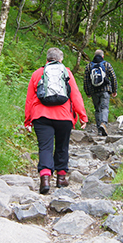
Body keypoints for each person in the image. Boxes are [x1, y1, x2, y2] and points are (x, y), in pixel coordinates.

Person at [24, 47, 88, 194]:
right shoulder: (66, 72)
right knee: (62, 146)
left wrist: (28, 120)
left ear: (47, 59)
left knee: (45, 147)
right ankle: (61, 178)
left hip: (41, 116)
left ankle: (45, 179)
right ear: (60, 60)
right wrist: (83, 116)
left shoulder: (37, 74)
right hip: (64, 117)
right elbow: (76, 96)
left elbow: (29, 100)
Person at [83, 49, 118, 137]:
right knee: (104, 108)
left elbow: (86, 81)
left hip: (94, 91)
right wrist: (114, 90)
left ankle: (99, 130)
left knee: (97, 109)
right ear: (103, 56)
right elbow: (113, 78)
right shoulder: (106, 64)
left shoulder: (89, 66)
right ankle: (104, 123)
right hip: (105, 90)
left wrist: (87, 92)